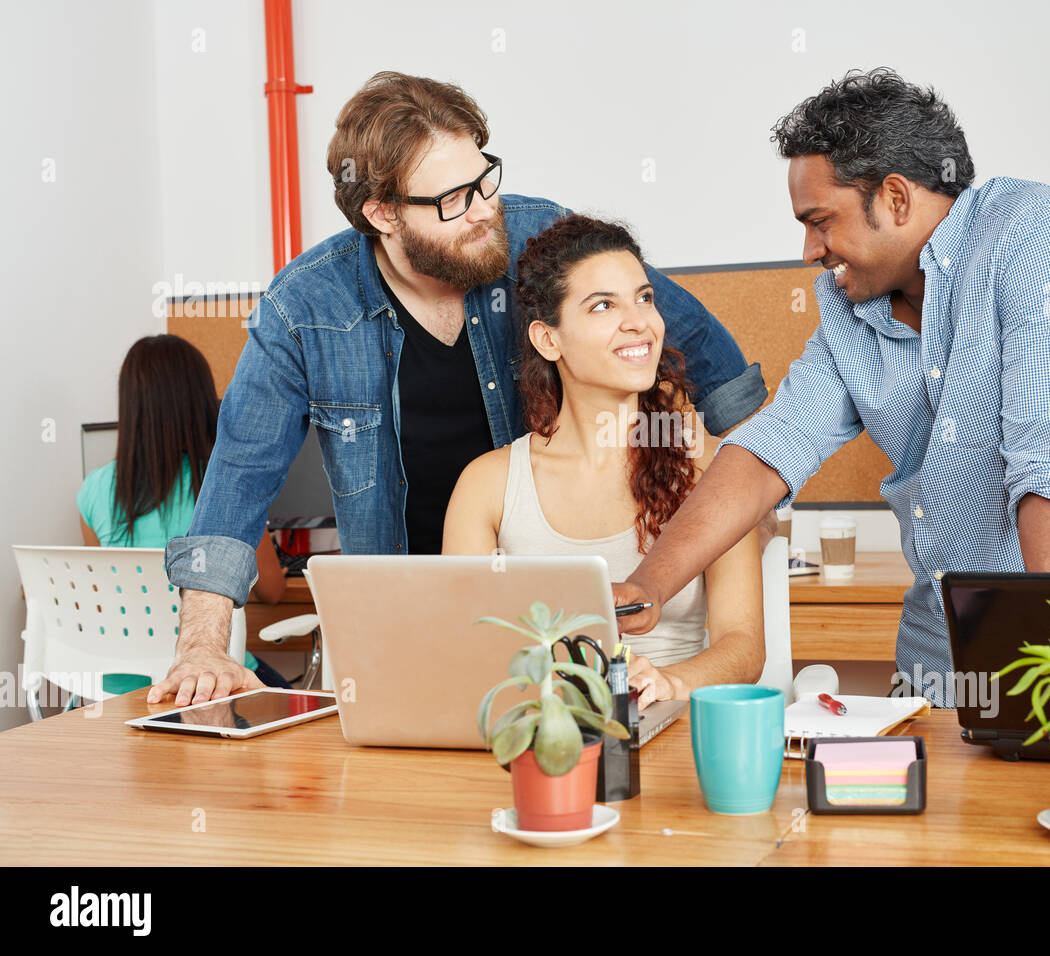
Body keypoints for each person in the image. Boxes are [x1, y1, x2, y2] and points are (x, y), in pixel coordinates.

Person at [150, 71, 766, 707]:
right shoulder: (303, 307)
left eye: (485, 179)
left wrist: (747, 505)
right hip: (391, 608)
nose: (483, 210)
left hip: (519, 607)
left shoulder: (535, 237)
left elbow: (701, 350)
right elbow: (239, 476)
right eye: (452, 199)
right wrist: (203, 643)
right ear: (382, 213)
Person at [614, 68, 1050, 707]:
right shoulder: (851, 306)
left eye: (821, 221)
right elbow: (770, 450)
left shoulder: (1039, 239)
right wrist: (644, 590)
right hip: (936, 664)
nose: (810, 249)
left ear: (896, 199)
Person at [443, 215, 764, 705]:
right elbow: (463, 647)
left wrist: (667, 682)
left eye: (644, 298)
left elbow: (742, 647)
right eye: (602, 306)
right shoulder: (486, 486)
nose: (638, 321)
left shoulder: (714, 468)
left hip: (673, 725)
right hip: (539, 730)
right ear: (548, 339)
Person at [77, 335, 289, 688]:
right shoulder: (223, 486)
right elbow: (273, 591)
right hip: (204, 682)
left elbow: (103, 595)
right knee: (298, 703)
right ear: (201, 401)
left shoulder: (93, 490)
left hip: (117, 686)